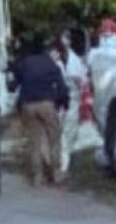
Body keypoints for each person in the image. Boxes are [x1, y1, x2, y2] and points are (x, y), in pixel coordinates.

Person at [7, 37, 69, 186]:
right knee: (54, 138)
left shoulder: (23, 64)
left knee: (34, 141)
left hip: (27, 105)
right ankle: (55, 173)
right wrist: (63, 103)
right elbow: (61, 87)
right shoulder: (51, 64)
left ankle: (37, 177)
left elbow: (13, 86)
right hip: (47, 104)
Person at [53, 28, 90, 180]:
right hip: (60, 101)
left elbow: (81, 81)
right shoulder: (59, 59)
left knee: (67, 132)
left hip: (71, 100)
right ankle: (61, 165)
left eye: (67, 37)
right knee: (61, 133)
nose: (65, 40)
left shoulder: (73, 60)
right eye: (64, 37)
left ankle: (62, 166)